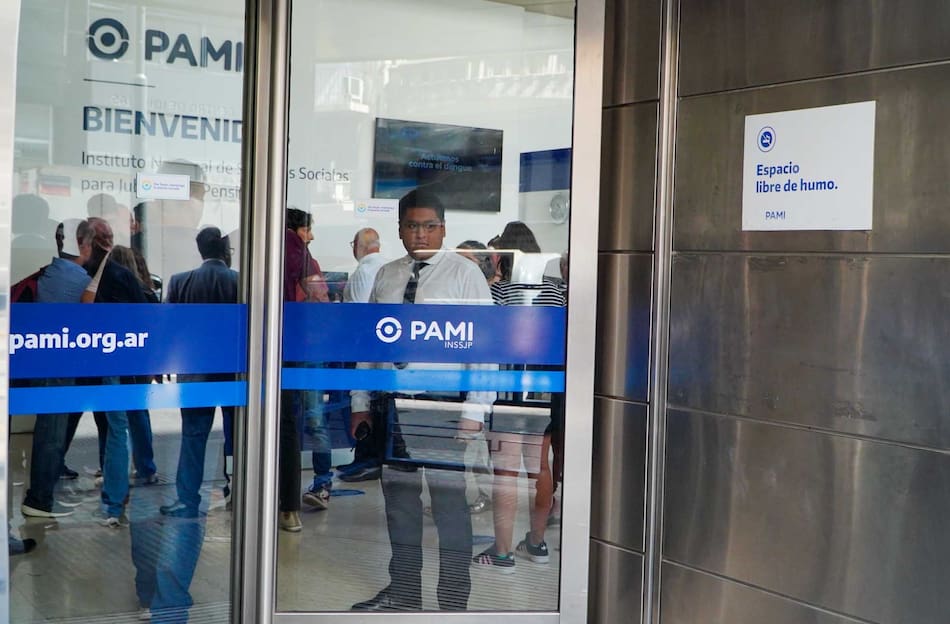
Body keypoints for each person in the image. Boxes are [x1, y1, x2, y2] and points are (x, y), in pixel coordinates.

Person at [349, 188, 495, 612]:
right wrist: (360, 401)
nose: (420, 234)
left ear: (443, 229)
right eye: (412, 225)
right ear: (399, 229)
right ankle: (405, 594)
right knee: (399, 505)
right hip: (393, 403)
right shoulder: (387, 274)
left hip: (441, 406)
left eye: (429, 226)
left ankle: (453, 601)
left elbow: (484, 348)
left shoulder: (464, 274)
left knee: (449, 506)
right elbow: (371, 343)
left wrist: (474, 410)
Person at [159, 227, 238, 518]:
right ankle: (238, 491)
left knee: (193, 436)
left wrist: (162, 363)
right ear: (225, 251)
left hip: (193, 371)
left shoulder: (180, 281)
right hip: (233, 371)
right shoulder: (239, 281)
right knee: (237, 436)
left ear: (200, 250)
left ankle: (187, 499)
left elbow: (169, 327)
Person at [20, 219, 94, 519]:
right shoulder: (78, 280)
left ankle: (40, 496)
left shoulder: (48, 272)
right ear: (84, 245)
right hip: (57, 367)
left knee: (47, 431)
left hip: (34, 361)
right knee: (51, 434)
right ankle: (39, 500)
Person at [83, 217, 150, 528]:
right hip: (117, 362)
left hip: (109, 363)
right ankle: (114, 494)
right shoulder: (115, 275)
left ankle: (114, 499)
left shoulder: (102, 275)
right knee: (115, 425)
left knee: (115, 426)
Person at [281, 208, 333, 529]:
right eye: (307, 229)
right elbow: (321, 298)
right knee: (312, 417)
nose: (310, 236)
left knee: (287, 420)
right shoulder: (298, 252)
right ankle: (321, 483)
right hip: (304, 347)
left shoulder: (268, 248)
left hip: (278, 350)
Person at [337, 227, 387, 484]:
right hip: (383, 350)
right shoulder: (388, 268)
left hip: (362, 349)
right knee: (378, 406)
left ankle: (365, 459)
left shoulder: (363, 272)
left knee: (361, 403)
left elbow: (358, 317)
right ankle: (373, 457)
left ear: (359, 246)